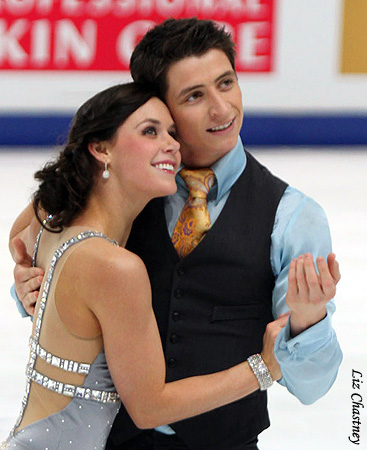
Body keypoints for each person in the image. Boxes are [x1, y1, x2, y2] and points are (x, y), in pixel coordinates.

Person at [11, 19, 342, 450]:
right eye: (194, 96)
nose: (222, 110)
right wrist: (32, 285)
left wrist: (307, 321)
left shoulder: (294, 217)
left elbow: (313, 388)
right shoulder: (128, 191)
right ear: (160, 105)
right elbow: (40, 245)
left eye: (227, 84)